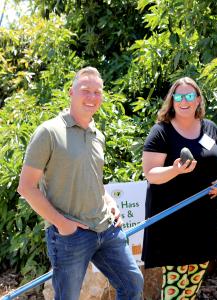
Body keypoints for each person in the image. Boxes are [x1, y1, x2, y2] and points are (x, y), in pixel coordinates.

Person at [17, 67, 144, 300]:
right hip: (70, 236)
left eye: (97, 92)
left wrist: (110, 201)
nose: (92, 97)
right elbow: (26, 187)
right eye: (85, 90)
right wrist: (63, 225)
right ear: (71, 92)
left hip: (106, 228)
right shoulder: (49, 132)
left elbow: (93, 179)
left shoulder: (98, 135)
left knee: (132, 284)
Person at [141, 77, 217, 299]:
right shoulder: (161, 132)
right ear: (171, 101)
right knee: (175, 285)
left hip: (203, 219)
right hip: (173, 222)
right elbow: (151, 174)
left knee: (193, 283)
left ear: (198, 99)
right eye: (178, 96)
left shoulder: (210, 129)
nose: (184, 101)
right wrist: (175, 170)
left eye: (189, 96)